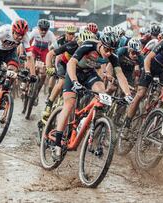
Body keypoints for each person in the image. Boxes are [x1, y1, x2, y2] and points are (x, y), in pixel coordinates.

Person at [52, 32, 133, 160]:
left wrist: (128, 94)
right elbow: (71, 63)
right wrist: (74, 81)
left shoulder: (112, 56)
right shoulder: (89, 45)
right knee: (69, 104)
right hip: (74, 72)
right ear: (100, 44)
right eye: (106, 49)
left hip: (89, 73)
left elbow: (120, 75)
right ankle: (57, 143)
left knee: (102, 93)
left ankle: (90, 122)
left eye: (111, 51)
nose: (107, 53)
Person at [41, 30, 95, 121]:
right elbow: (50, 54)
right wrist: (49, 67)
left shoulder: (92, 51)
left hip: (77, 69)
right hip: (64, 64)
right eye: (82, 45)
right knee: (62, 82)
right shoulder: (72, 45)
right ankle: (49, 104)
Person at [28, 19, 58, 105]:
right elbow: (28, 40)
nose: (43, 31)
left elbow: (55, 45)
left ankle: (36, 93)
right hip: (35, 49)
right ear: (38, 28)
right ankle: (27, 83)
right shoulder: (34, 31)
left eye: (46, 29)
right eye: (41, 29)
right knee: (31, 61)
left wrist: (53, 48)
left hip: (44, 52)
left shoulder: (50, 34)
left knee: (44, 73)